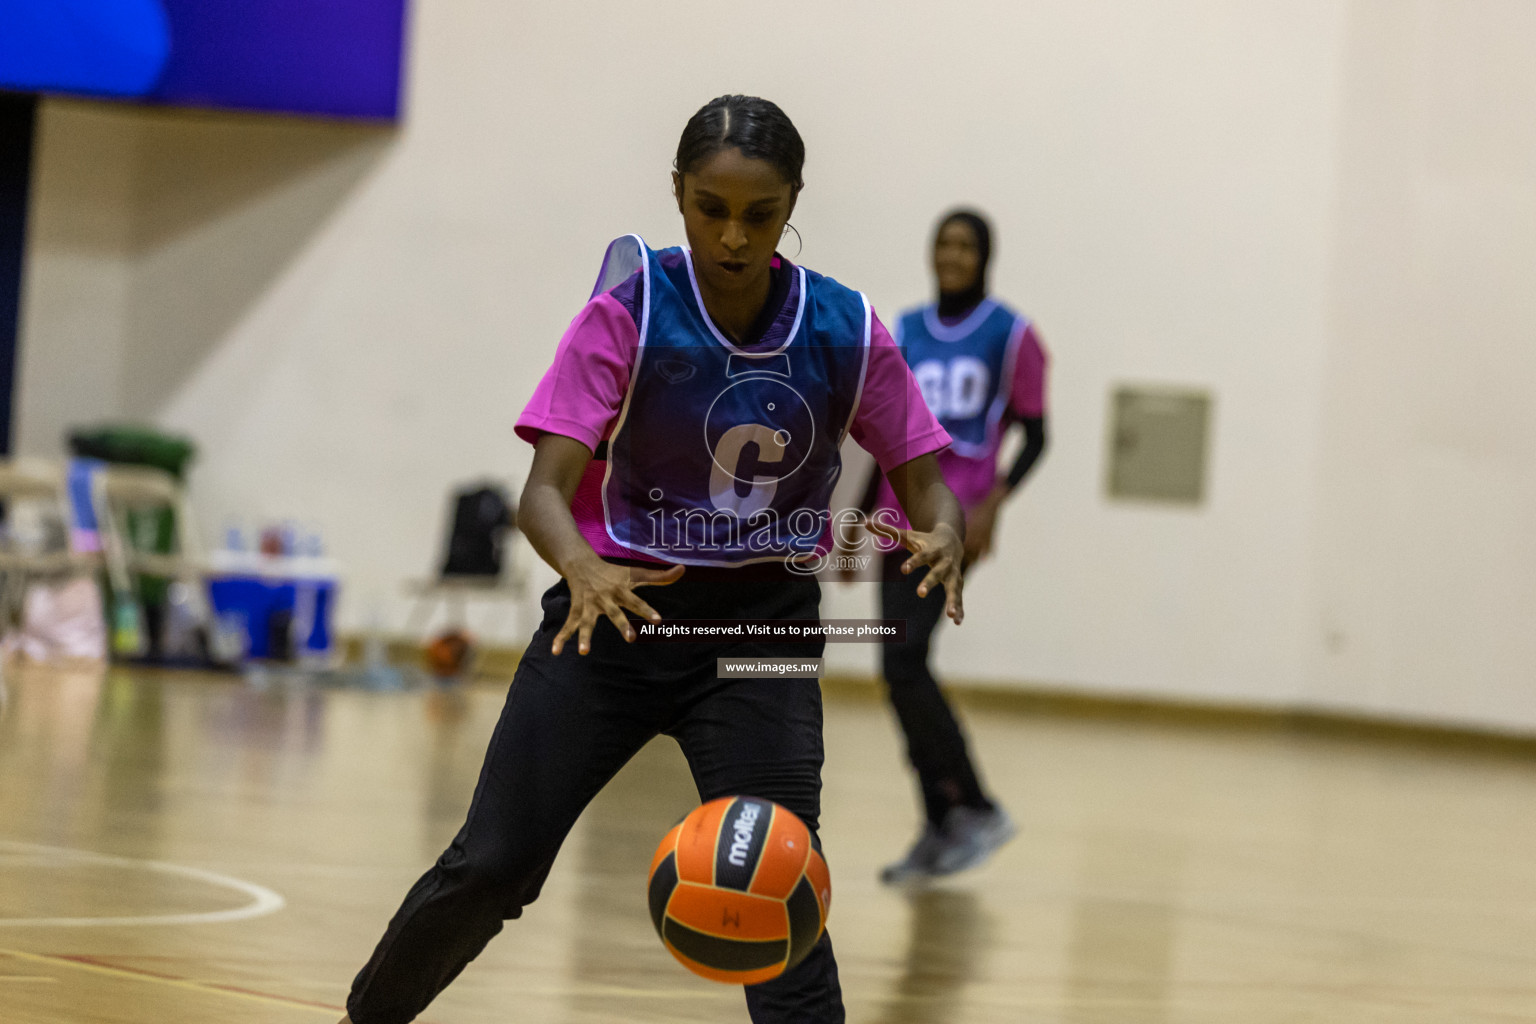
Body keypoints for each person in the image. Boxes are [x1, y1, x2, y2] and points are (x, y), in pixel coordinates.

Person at [337, 96, 968, 1024]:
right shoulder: (628, 312)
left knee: (779, 898)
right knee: (495, 865)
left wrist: (943, 531)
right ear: (678, 194)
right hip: (617, 617)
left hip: (761, 638)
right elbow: (543, 491)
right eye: (710, 208)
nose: (733, 236)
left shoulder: (845, 326)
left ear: (794, 201)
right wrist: (581, 569)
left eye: (760, 214)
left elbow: (926, 480)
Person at [848, 208, 1049, 885]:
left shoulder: (1011, 334)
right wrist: (852, 518)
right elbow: (884, 432)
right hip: (892, 514)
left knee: (904, 659)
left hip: (950, 515)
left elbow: (1038, 433)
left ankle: (975, 807)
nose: (952, 255)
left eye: (965, 245)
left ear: (985, 256)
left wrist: (994, 503)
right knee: (897, 668)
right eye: (944, 243)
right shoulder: (904, 331)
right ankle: (942, 820)